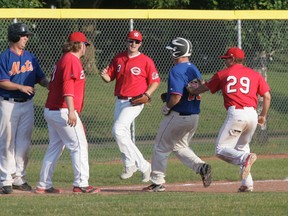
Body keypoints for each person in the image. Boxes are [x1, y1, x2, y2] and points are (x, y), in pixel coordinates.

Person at [186, 47, 271, 192]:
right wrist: (263, 115)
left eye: (226, 58)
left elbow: (204, 88)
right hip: (252, 114)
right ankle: (247, 184)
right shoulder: (254, 74)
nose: (225, 61)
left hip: (237, 113)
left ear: (232, 59)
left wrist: (192, 90)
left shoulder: (223, 74)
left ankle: (245, 158)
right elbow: (267, 96)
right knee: (241, 147)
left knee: (221, 149)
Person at [143, 37, 212, 192]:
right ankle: (201, 167)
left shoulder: (176, 70)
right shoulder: (193, 68)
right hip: (194, 116)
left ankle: (157, 182)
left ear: (177, 52)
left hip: (178, 115)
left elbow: (176, 97)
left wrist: (167, 107)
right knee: (179, 146)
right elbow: (191, 89)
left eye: (172, 50)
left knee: (161, 147)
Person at [36, 32, 100, 194]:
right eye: (85, 45)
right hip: (63, 109)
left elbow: (53, 85)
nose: (86, 48)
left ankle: (44, 184)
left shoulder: (63, 59)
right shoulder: (71, 60)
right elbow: (67, 87)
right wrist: (71, 111)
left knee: (55, 147)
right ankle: (81, 183)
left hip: (53, 109)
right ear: (79, 45)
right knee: (79, 145)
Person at [100, 30, 160, 182]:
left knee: (118, 130)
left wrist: (147, 95)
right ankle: (132, 165)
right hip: (120, 100)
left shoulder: (146, 60)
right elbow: (110, 78)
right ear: (126, 41)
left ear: (141, 44)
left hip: (135, 101)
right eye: (131, 41)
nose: (133, 44)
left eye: (137, 41)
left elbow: (155, 81)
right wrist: (104, 76)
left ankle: (140, 165)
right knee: (122, 134)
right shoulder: (119, 58)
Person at [0, 22, 49, 194]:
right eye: (23, 35)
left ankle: (19, 178)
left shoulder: (30, 57)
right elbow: (2, 82)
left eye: (27, 35)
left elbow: (40, 78)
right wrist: (20, 87)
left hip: (27, 105)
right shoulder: (4, 57)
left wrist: (51, 85)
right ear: (14, 37)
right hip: (8, 103)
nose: (26, 38)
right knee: (6, 141)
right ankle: (5, 180)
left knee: (24, 143)